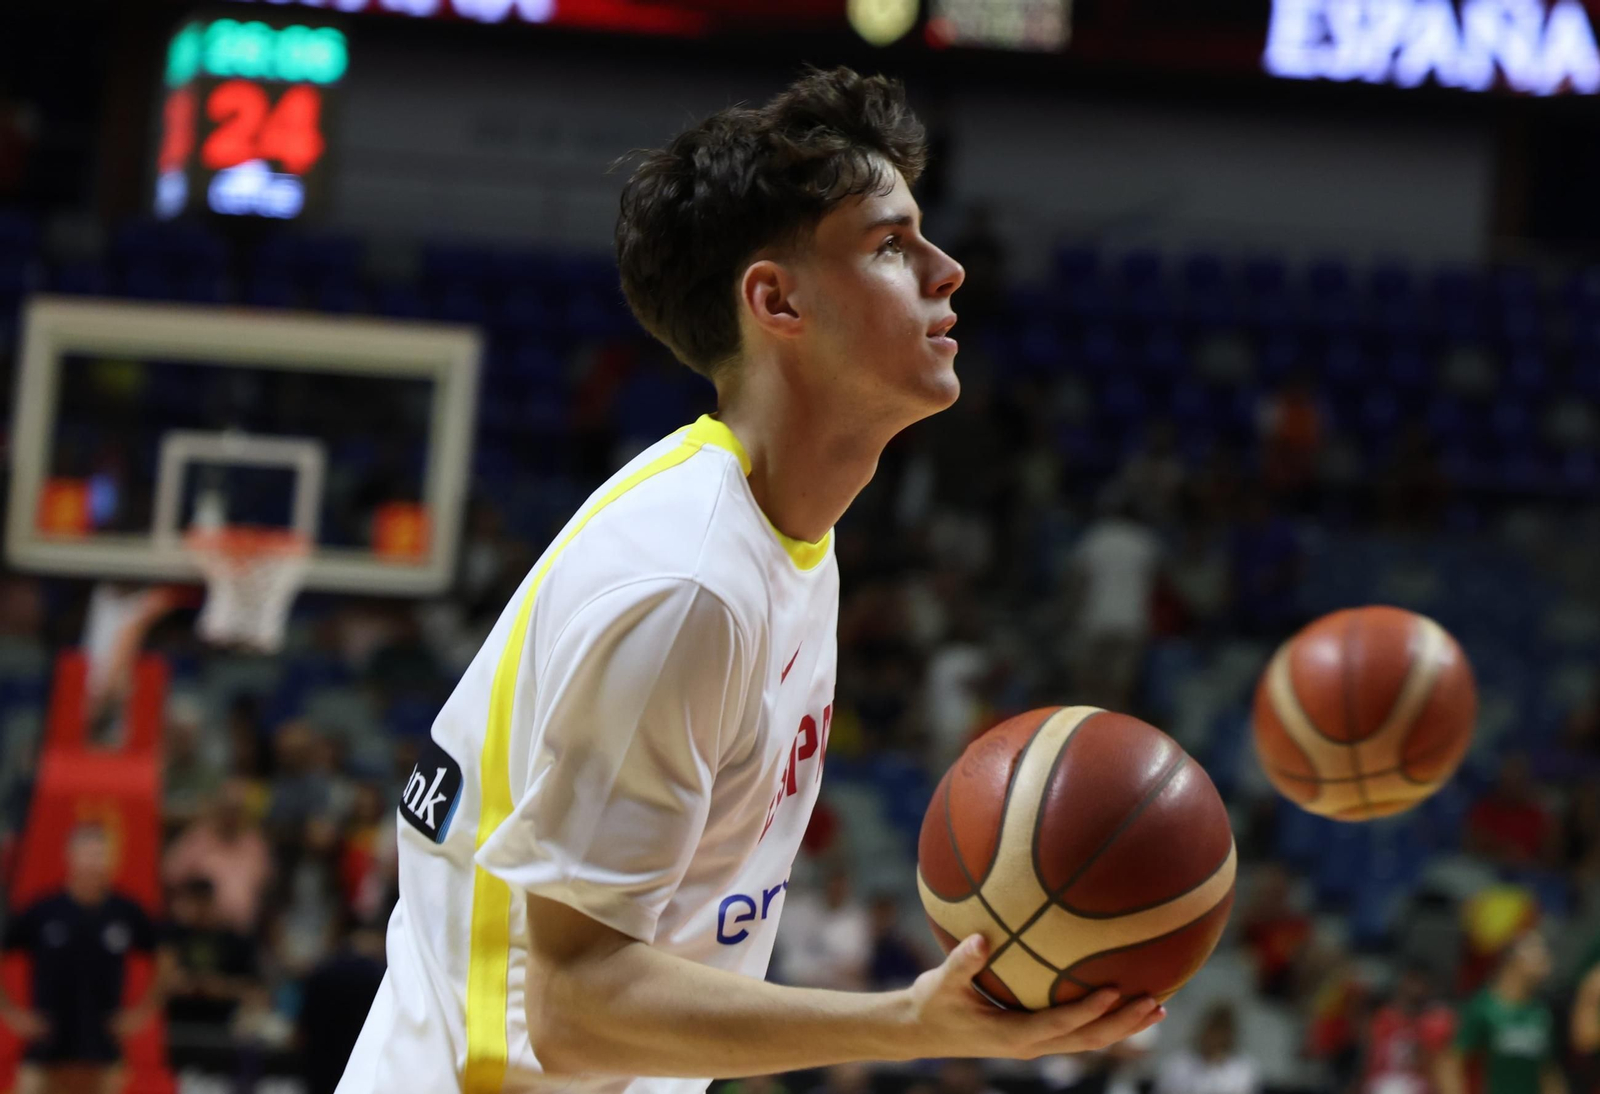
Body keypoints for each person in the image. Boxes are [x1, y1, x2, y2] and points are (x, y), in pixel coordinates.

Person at [334, 66, 1162, 1094]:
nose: (948, 271)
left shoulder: (775, 541)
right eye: (892, 245)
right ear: (775, 300)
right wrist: (912, 1019)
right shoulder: (689, 583)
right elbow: (575, 1009)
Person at [0, 824, 169, 1094]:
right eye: (87, 854)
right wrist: (13, 1014)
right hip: (46, 1047)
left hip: (103, 1048)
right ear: (70, 856)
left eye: (100, 854)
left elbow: (163, 959)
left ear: (112, 859)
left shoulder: (126, 911)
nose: (93, 862)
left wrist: (141, 1014)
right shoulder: (43, 909)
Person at [1436, 931, 1565, 1094]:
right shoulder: (1482, 1008)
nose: (1546, 959)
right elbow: (1449, 1065)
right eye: (1537, 951)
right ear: (1513, 958)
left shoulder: (1541, 1014)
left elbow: (1548, 1071)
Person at [1361, 964, 1455, 1094]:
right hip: (1384, 1082)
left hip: (1416, 1083)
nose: (1418, 989)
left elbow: (1439, 1064)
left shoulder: (1434, 1022)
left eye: (1423, 984)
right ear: (1404, 982)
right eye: (1414, 982)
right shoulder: (1382, 1019)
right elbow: (1368, 1061)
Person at [1154, 1002, 1259, 1094]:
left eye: (1222, 1031)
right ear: (1204, 1029)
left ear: (1230, 1034)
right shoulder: (1177, 1064)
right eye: (1213, 1029)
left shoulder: (1243, 1069)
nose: (1217, 1037)